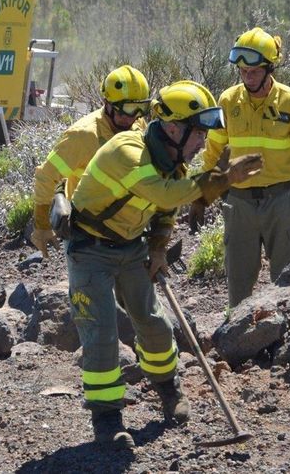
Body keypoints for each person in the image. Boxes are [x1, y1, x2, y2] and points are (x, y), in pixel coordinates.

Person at [66, 80, 263, 448]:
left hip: (131, 249)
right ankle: (107, 419)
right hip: (90, 250)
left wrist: (158, 249)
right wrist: (221, 179)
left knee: (155, 325)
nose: (203, 142)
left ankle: (170, 393)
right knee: (102, 333)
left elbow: (165, 209)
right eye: (198, 133)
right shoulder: (129, 150)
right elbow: (163, 193)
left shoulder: (173, 160)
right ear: (174, 127)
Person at [194, 27, 290, 308]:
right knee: (239, 280)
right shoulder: (228, 101)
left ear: (269, 67)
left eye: (254, 70)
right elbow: (213, 150)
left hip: (280, 201)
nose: (247, 75)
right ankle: (238, 339)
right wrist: (200, 194)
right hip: (239, 203)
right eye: (243, 70)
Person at [31, 65, 150, 257]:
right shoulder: (83, 136)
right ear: (107, 103)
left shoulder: (137, 125)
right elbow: (46, 177)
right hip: (87, 240)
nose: (133, 116)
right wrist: (42, 226)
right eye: (127, 109)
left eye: (140, 108)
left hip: (129, 236)